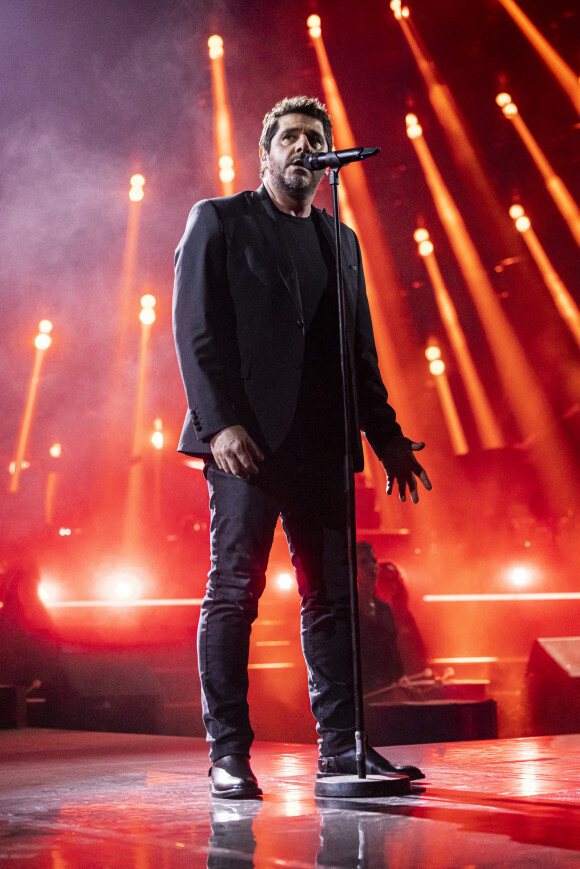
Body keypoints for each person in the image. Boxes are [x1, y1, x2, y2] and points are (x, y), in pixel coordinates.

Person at [173, 96, 432, 798]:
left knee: (334, 600)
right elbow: (194, 331)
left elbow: (359, 353)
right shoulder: (219, 220)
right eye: (288, 136)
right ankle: (227, 753)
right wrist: (220, 422)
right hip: (246, 446)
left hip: (321, 444)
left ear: (325, 159)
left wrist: (387, 436)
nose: (301, 146)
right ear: (265, 156)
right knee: (234, 592)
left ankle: (342, 749)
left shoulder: (339, 240)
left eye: (313, 137)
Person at [356, 541, 405, 691]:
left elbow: (394, 655)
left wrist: (400, 679)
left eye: (373, 561)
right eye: (363, 562)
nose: (371, 566)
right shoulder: (347, 612)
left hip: (387, 693)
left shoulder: (384, 610)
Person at [375, 560, 428, 677]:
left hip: (409, 681)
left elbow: (419, 651)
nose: (391, 585)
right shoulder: (370, 616)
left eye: (394, 581)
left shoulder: (406, 617)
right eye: (386, 581)